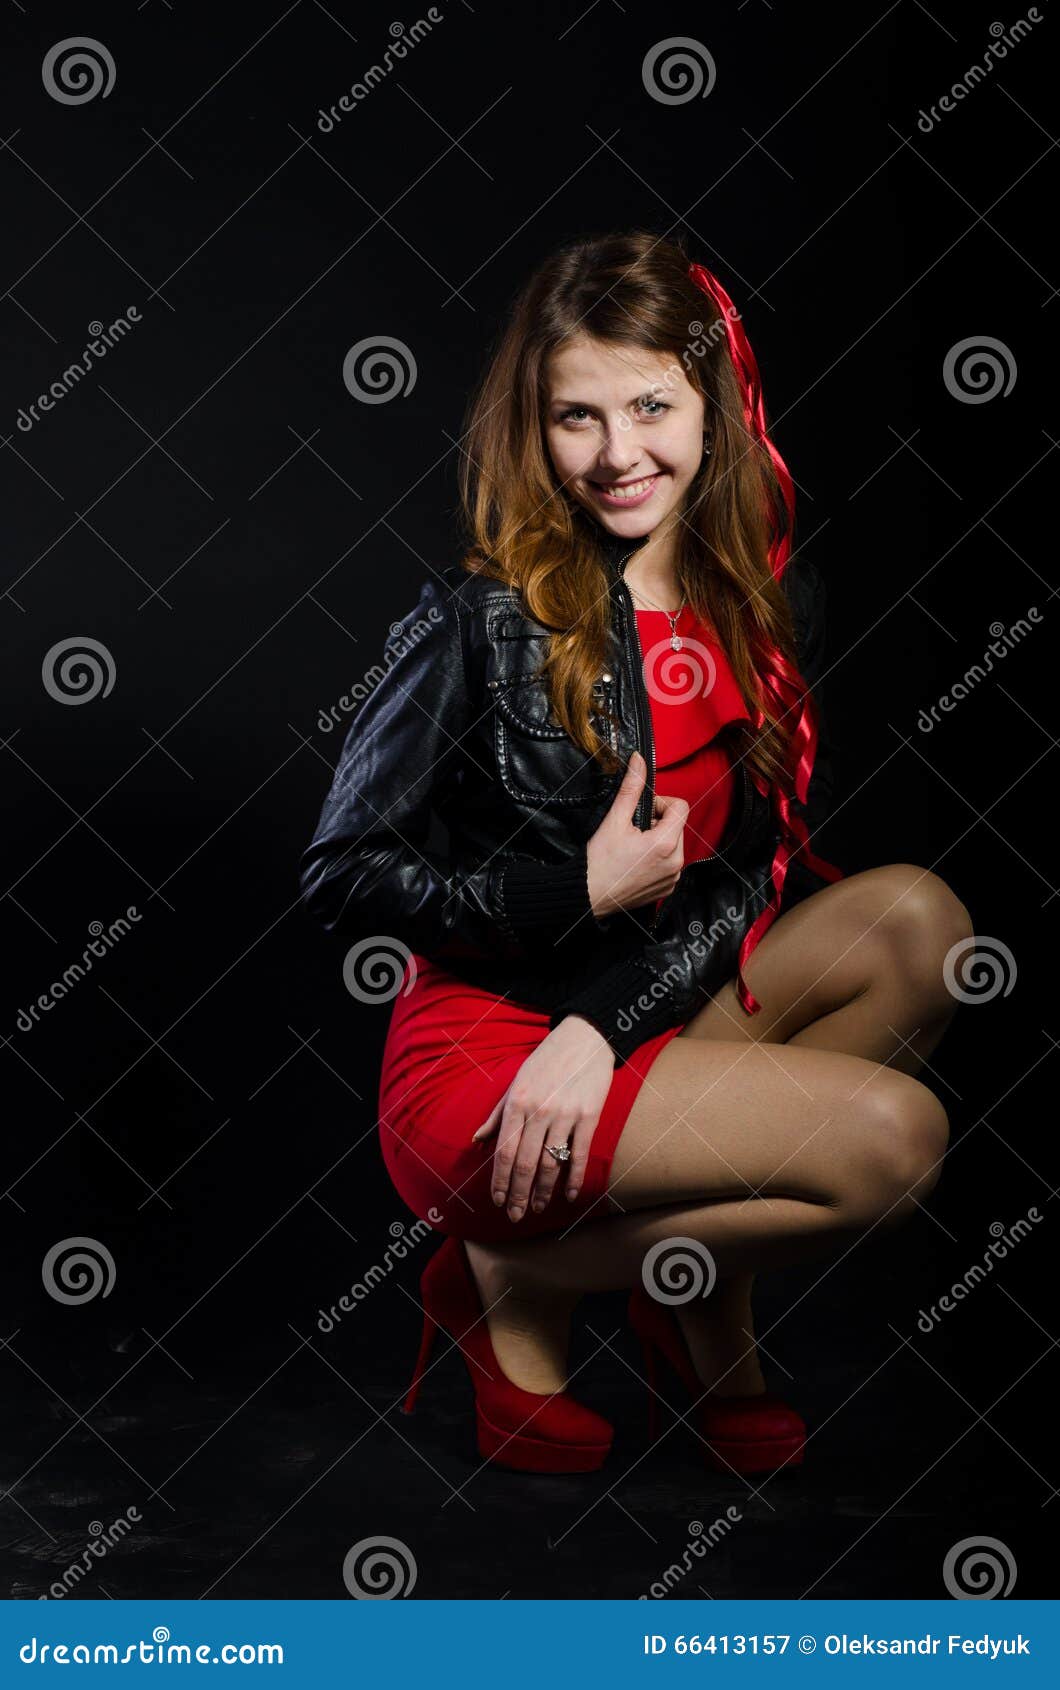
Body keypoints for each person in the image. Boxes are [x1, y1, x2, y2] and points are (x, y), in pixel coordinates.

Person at [298, 230, 973, 1476]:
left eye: (651, 405)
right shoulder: (479, 613)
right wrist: (578, 890)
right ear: (534, 428)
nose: (618, 455)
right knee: (895, 1140)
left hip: (617, 1031)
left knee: (918, 923)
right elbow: (341, 870)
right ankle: (509, 1268)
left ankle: (670, 1281)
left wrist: (597, 1032)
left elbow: (736, 886)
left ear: (713, 406)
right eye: (576, 416)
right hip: (488, 1063)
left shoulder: (758, 603)